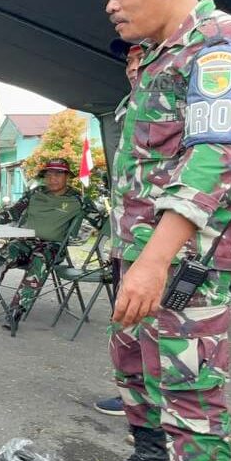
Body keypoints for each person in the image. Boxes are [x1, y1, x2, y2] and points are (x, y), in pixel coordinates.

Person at [96, 0, 231, 461]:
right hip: (138, 248)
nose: (111, 5)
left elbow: (215, 155)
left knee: (189, 377)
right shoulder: (152, 55)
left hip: (184, 256)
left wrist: (155, 259)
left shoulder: (220, 42)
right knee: (134, 362)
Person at [0, 158, 103, 328]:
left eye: (58, 174)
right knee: (2, 255)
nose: (52, 179)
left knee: (39, 259)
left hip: (52, 247)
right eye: (49, 175)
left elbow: (102, 223)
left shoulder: (79, 199)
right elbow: (13, 213)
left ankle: (16, 310)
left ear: (67, 176)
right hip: (25, 243)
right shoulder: (35, 193)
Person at [94, 40, 144, 418]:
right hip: (126, 234)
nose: (132, 65)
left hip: (157, 238)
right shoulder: (127, 106)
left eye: (141, 57)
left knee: (161, 329)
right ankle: (134, 398)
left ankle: (160, 408)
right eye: (129, 59)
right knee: (126, 321)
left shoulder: (178, 100)